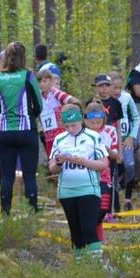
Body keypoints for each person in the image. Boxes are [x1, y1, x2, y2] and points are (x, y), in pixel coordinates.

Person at [48, 104, 110, 260]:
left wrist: (84, 162)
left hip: (88, 189)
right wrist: (59, 162)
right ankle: (81, 266)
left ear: (81, 120)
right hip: (66, 191)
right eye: (67, 126)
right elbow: (52, 168)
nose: (71, 129)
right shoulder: (59, 139)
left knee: (88, 227)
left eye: (74, 125)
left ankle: (97, 265)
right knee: (75, 231)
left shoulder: (92, 136)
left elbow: (104, 164)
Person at [0, 42, 45, 214]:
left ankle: (5, 213)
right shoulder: (28, 75)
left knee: (6, 177)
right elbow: (39, 104)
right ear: (23, 57)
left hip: (5, 131)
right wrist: (31, 115)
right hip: (26, 130)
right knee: (29, 175)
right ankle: (32, 213)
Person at [83, 102, 120, 239]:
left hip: (104, 175)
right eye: (92, 123)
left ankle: (95, 234)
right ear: (85, 121)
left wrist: (103, 148)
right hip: (87, 175)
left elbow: (116, 155)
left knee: (103, 208)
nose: (95, 126)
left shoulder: (110, 131)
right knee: (90, 208)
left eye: (98, 122)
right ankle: (93, 237)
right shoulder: (81, 133)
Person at [109, 71, 140, 209]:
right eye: (114, 88)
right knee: (113, 171)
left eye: (119, 88)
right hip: (112, 142)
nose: (117, 91)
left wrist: (131, 136)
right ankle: (114, 200)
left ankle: (128, 198)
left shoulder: (127, 98)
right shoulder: (105, 101)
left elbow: (136, 117)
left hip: (126, 139)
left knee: (130, 166)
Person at [37, 69, 76, 159]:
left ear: (51, 81)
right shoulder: (39, 97)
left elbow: (73, 101)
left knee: (65, 159)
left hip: (62, 135)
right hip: (48, 137)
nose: (41, 84)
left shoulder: (55, 92)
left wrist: (70, 118)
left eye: (44, 81)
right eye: (39, 81)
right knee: (52, 161)